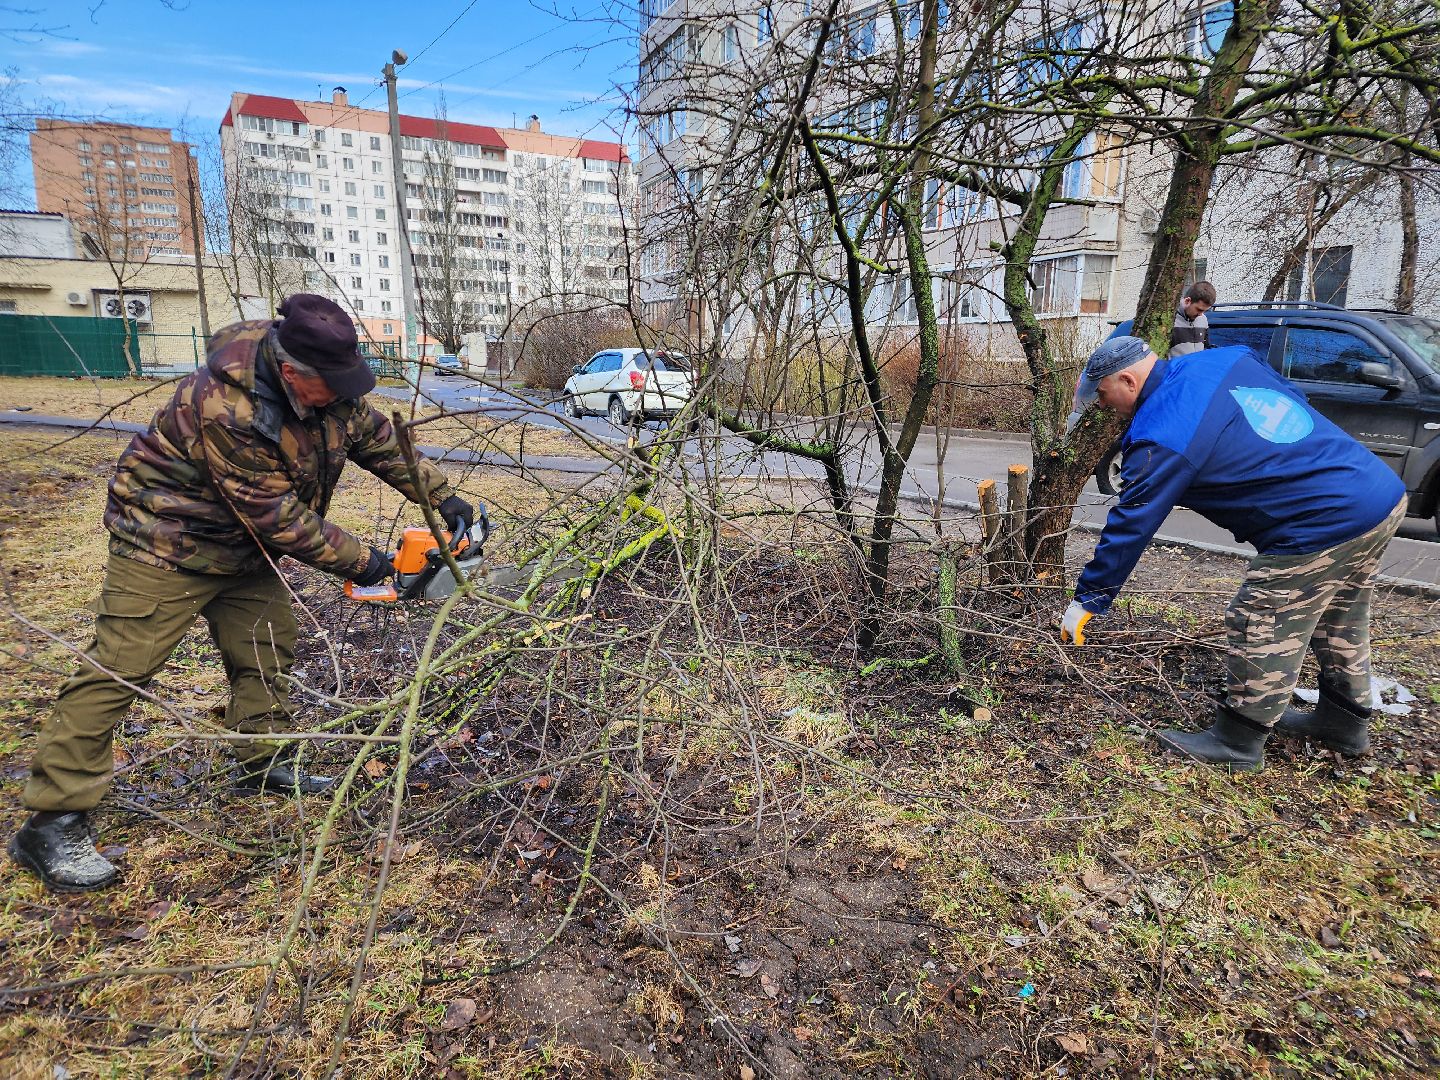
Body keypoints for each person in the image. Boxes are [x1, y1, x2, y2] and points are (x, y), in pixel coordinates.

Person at [9, 294, 475, 893]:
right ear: (290, 373)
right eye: (331, 388)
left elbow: (378, 438)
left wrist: (440, 496)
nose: (341, 396)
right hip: (168, 538)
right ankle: (53, 819)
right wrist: (368, 563)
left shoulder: (328, 383)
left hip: (245, 546)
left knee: (265, 647)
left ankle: (262, 762)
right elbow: (277, 515)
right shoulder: (225, 407)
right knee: (120, 668)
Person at [1059, 335, 1406, 772]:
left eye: (1106, 396)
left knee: (1260, 617)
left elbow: (1133, 523)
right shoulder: (1224, 359)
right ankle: (1344, 722)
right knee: (1340, 612)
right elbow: (1289, 397)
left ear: (1128, 379)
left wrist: (1089, 598)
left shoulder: (1162, 431)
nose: (1108, 408)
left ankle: (1238, 741)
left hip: (1322, 522)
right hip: (1378, 494)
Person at [1170, 280, 1215, 358]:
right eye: (1199, 309)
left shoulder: (1203, 320)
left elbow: (1206, 347)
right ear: (1187, 301)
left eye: (1205, 311)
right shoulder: (1169, 320)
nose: (1201, 314)